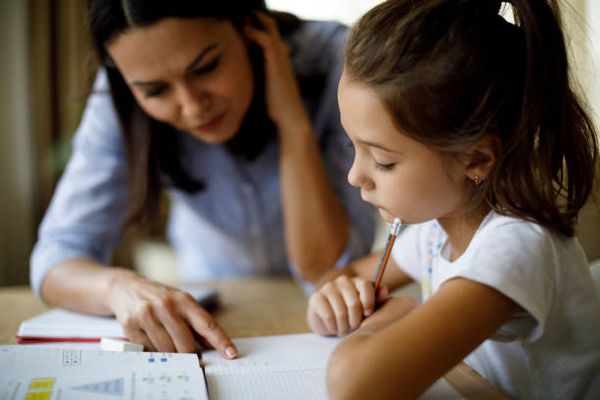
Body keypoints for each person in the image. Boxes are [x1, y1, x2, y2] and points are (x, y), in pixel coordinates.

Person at [30, 0, 375, 358]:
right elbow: (58, 254)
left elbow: (325, 270)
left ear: (249, 28)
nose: (193, 107)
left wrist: (292, 121)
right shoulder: (122, 87)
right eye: (155, 91)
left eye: (207, 67)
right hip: (218, 304)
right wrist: (120, 287)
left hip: (325, 314)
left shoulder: (338, 59)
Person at [306, 0, 600, 398]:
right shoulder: (437, 229)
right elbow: (342, 276)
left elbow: (356, 387)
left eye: (382, 160)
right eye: (351, 145)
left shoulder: (516, 248)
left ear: (475, 159)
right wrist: (334, 298)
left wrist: (385, 322)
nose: (354, 175)